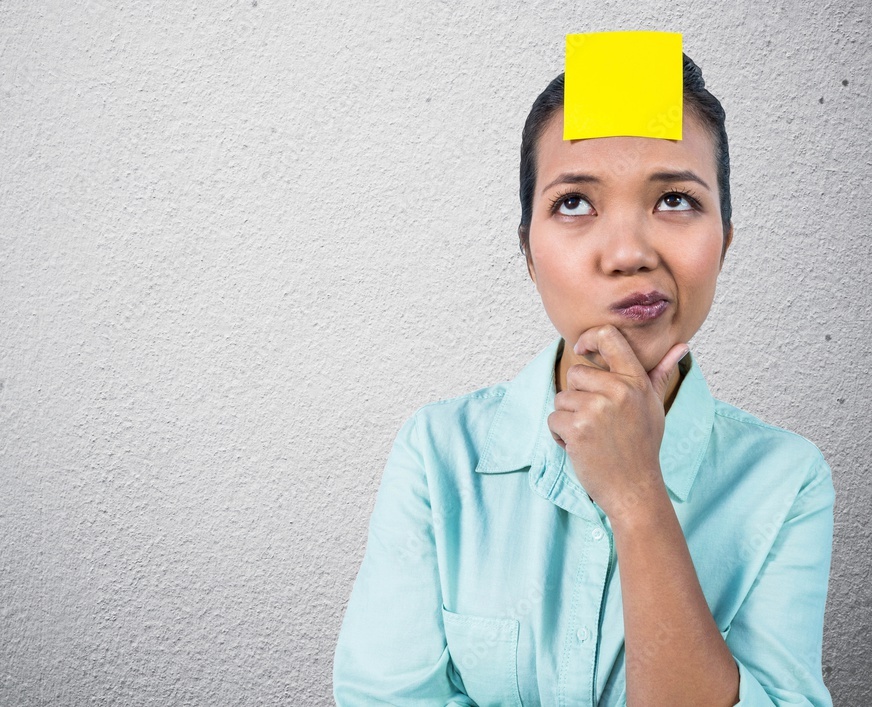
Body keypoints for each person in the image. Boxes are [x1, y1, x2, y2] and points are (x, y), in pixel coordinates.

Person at [333, 50, 835, 707]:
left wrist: (637, 497)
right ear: (528, 251)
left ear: (727, 240)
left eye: (676, 199)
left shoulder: (786, 479)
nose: (628, 252)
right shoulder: (437, 454)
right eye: (574, 202)